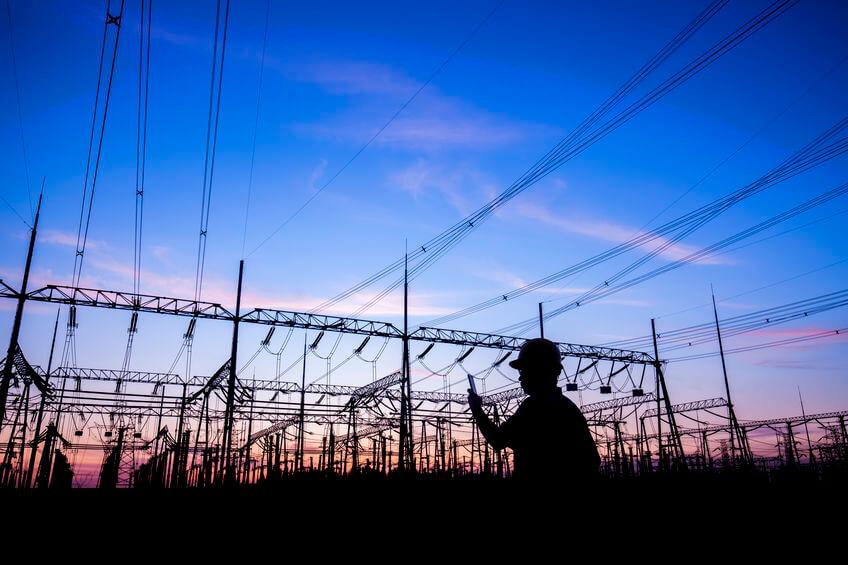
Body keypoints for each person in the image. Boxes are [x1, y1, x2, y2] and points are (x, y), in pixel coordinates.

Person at [468, 338, 600, 480]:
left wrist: (477, 411)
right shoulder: (568, 408)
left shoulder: (533, 407)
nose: (520, 378)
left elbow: (498, 439)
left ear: (538, 371)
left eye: (524, 371)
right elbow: (592, 460)